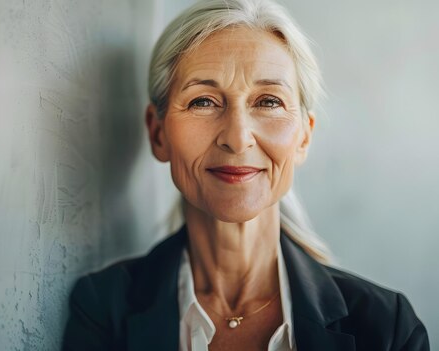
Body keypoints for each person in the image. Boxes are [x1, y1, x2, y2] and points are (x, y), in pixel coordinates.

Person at [61, 0, 430, 350]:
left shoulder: (386, 329)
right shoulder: (101, 311)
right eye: (203, 102)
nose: (237, 138)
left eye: (268, 101)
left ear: (304, 137)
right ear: (158, 134)